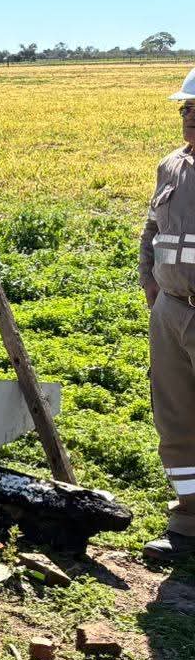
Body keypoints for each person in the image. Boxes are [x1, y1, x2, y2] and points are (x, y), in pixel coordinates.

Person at [141, 65, 195, 564]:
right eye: (186, 109)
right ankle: (188, 520)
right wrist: (151, 285)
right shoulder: (171, 166)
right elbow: (152, 230)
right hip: (172, 313)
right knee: (175, 417)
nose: (190, 118)